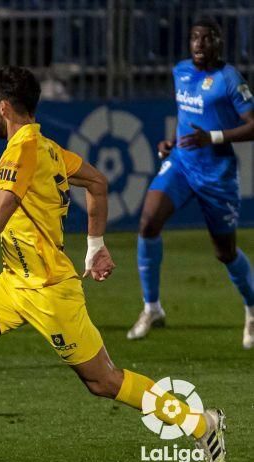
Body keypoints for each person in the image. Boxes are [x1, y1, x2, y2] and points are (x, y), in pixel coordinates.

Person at [0, 66, 226, 462]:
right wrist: (96, 249)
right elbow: (97, 183)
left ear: (5, 107)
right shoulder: (45, 147)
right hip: (14, 282)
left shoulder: (22, 152)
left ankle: (201, 424)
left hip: (49, 291)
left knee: (103, 381)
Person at [129, 18, 254, 348]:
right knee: (148, 222)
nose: (199, 43)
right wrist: (172, 142)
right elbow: (187, 118)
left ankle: (252, 308)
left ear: (218, 42)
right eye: (194, 37)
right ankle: (151, 308)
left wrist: (211, 137)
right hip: (182, 164)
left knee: (224, 252)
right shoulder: (181, 71)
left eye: (206, 38)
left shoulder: (229, 80)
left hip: (217, 175)